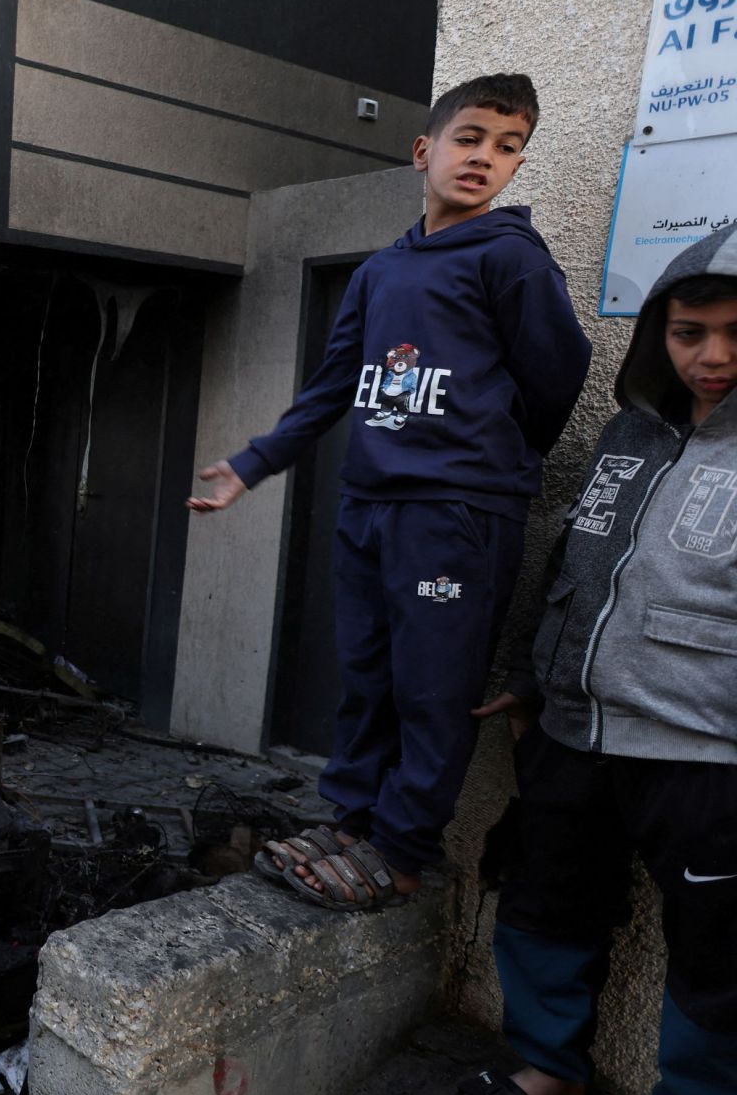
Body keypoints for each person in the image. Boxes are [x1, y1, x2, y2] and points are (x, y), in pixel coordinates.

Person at [188, 73, 591, 909]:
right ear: (425, 150)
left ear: (518, 165)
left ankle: (401, 852)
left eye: (508, 148)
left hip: (456, 517)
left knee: (431, 685)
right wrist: (254, 464)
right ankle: (353, 820)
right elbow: (333, 387)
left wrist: (491, 462)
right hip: (368, 507)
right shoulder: (380, 273)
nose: (485, 158)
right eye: (470, 137)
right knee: (368, 675)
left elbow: (559, 377)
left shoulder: (510, 258)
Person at [454, 226, 737, 1095]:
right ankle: (548, 1066)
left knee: (719, 967)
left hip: (707, 754)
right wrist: (530, 673)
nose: (712, 357)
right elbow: (574, 551)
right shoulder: (629, 434)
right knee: (546, 899)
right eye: (690, 330)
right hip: (576, 727)